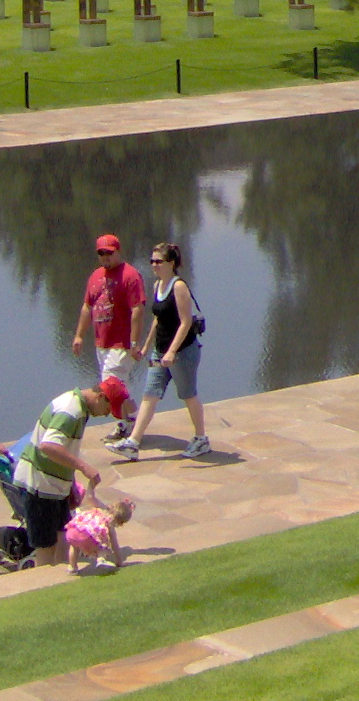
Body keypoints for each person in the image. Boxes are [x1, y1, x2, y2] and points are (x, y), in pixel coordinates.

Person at [111, 242, 210, 459]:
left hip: (183, 351)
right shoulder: (157, 285)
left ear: (171, 263)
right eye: (152, 261)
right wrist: (147, 347)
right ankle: (133, 442)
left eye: (158, 261)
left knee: (188, 395)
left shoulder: (178, 286)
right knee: (149, 395)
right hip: (160, 350)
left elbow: (185, 322)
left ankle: (201, 438)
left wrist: (172, 352)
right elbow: (158, 319)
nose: (154, 265)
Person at [11, 377, 123, 566]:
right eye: (108, 409)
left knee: (65, 539)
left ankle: (63, 581)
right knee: (46, 548)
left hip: (55, 487)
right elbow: (48, 446)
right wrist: (83, 467)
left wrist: (70, 484)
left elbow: (64, 448)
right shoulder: (71, 410)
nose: (107, 415)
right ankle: (45, 589)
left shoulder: (80, 408)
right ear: (101, 397)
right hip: (40, 486)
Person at [72, 234, 147, 440]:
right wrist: (79, 336)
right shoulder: (96, 276)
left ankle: (130, 424)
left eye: (109, 252)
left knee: (112, 386)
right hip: (102, 343)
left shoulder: (130, 275)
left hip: (121, 343)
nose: (105, 257)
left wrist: (134, 342)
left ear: (117, 251)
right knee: (118, 386)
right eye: (101, 253)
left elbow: (138, 309)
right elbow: (87, 307)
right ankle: (128, 422)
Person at [63, 489, 135, 574]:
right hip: (87, 535)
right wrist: (120, 562)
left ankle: (72, 567)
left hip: (73, 530)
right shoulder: (110, 522)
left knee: (74, 547)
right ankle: (101, 560)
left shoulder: (100, 510)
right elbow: (115, 545)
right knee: (102, 546)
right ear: (121, 522)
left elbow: (91, 499)